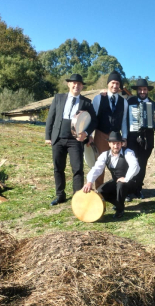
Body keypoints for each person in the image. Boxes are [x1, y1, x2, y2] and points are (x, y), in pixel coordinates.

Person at [45, 73, 97, 206]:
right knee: (58, 168)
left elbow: (94, 121)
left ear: (82, 87)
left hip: (76, 141)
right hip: (58, 138)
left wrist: (86, 133)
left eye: (79, 84)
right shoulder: (58, 98)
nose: (76, 86)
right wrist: (48, 136)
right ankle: (60, 195)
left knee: (78, 168)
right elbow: (51, 117)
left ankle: (77, 197)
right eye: (74, 83)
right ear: (69, 84)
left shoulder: (86, 102)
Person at [82, 131, 140, 219]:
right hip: (116, 181)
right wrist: (89, 182)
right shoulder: (105, 155)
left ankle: (120, 210)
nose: (116, 146)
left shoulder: (128, 152)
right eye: (113, 143)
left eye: (118, 143)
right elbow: (97, 169)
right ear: (109, 144)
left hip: (130, 183)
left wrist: (126, 178)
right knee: (100, 191)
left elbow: (135, 166)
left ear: (121, 143)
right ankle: (118, 203)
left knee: (120, 185)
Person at [126, 79, 155, 200]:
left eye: (144, 89)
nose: (142, 91)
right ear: (137, 90)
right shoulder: (130, 101)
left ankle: (138, 189)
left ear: (148, 91)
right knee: (131, 164)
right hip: (132, 138)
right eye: (140, 89)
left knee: (142, 164)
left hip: (147, 139)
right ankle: (129, 191)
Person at [92, 71, 128, 188]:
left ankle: (117, 191)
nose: (115, 86)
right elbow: (92, 118)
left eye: (117, 83)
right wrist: (89, 136)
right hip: (101, 135)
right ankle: (98, 191)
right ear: (108, 84)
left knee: (118, 166)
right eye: (113, 83)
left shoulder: (124, 102)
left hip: (116, 138)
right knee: (99, 165)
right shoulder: (98, 98)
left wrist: (125, 138)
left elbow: (123, 122)